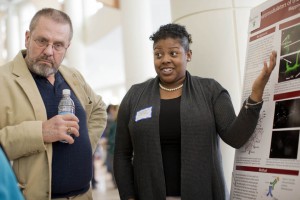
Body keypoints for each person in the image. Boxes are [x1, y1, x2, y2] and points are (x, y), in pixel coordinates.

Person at [113, 23, 277, 200]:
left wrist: (256, 93)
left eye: (173, 53)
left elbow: (236, 137)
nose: (165, 59)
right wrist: (128, 197)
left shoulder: (210, 91)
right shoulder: (135, 96)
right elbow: (122, 154)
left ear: (188, 55)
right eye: (158, 54)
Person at [0, 8, 107, 200]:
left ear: (67, 47)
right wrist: (41, 132)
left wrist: (84, 146)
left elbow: (99, 110)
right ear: (27, 38)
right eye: (42, 41)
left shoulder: (72, 76)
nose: (49, 52)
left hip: (84, 195)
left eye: (58, 45)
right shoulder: (3, 81)